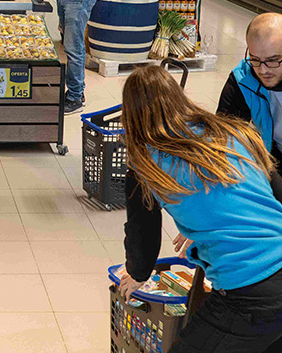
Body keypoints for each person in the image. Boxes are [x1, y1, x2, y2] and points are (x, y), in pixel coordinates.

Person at [119, 65, 282, 353]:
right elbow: (276, 193)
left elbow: (143, 238)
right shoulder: (234, 132)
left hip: (249, 290)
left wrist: (136, 273)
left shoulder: (144, 166)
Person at [218, 13, 282, 165]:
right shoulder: (243, 80)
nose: (263, 70)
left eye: (273, 60)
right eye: (255, 59)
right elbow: (224, 135)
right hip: (273, 157)